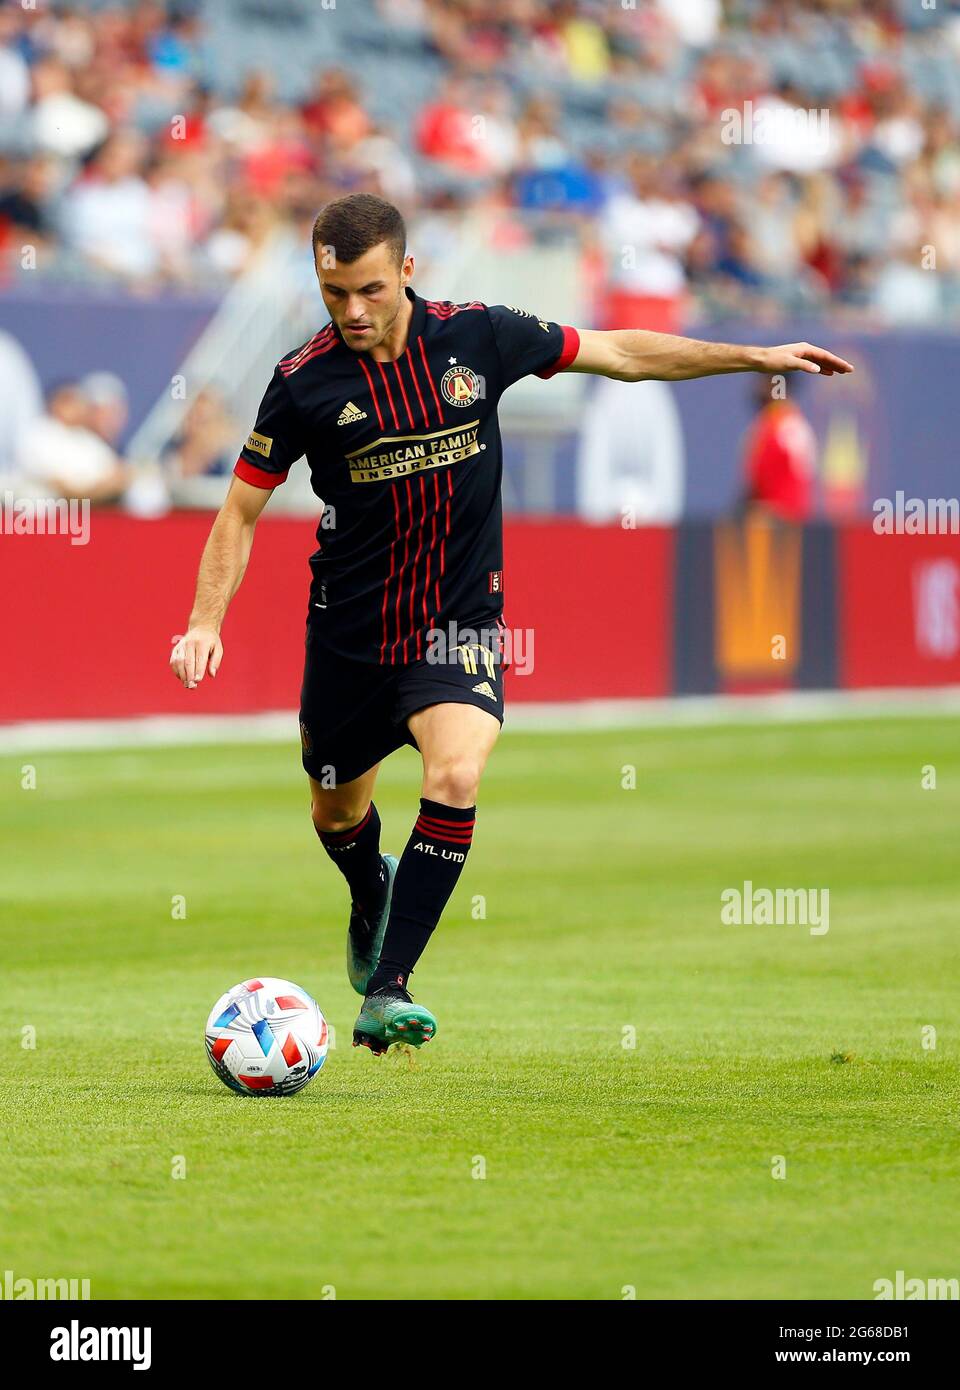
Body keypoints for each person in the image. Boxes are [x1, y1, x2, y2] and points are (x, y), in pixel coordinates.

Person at [169, 192, 852, 1055]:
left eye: (370, 290)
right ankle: (367, 891)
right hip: (349, 634)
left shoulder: (479, 336)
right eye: (334, 291)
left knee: (455, 776)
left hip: (459, 624)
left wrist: (752, 355)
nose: (351, 310)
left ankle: (389, 988)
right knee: (337, 816)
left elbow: (622, 354)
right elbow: (238, 513)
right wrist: (204, 622)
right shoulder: (302, 384)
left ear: (407, 272)